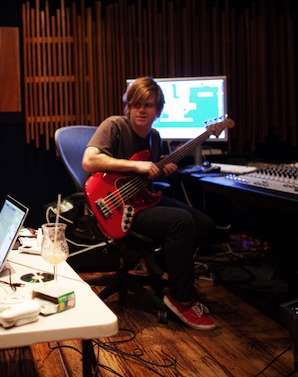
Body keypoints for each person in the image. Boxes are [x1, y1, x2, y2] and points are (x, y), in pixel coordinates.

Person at [82, 77, 218, 330]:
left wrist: (162, 169)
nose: (141, 110)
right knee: (181, 222)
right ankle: (181, 298)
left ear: (158, 110)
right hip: (117, 206)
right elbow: (89, 161)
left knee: (206, 225)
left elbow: (147, 177)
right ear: (129, 107)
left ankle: (160, 264)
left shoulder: (154, 137)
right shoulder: (114, 125)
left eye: (148, 105)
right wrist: (136, 165)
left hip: (143, 199)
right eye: (136, 105)